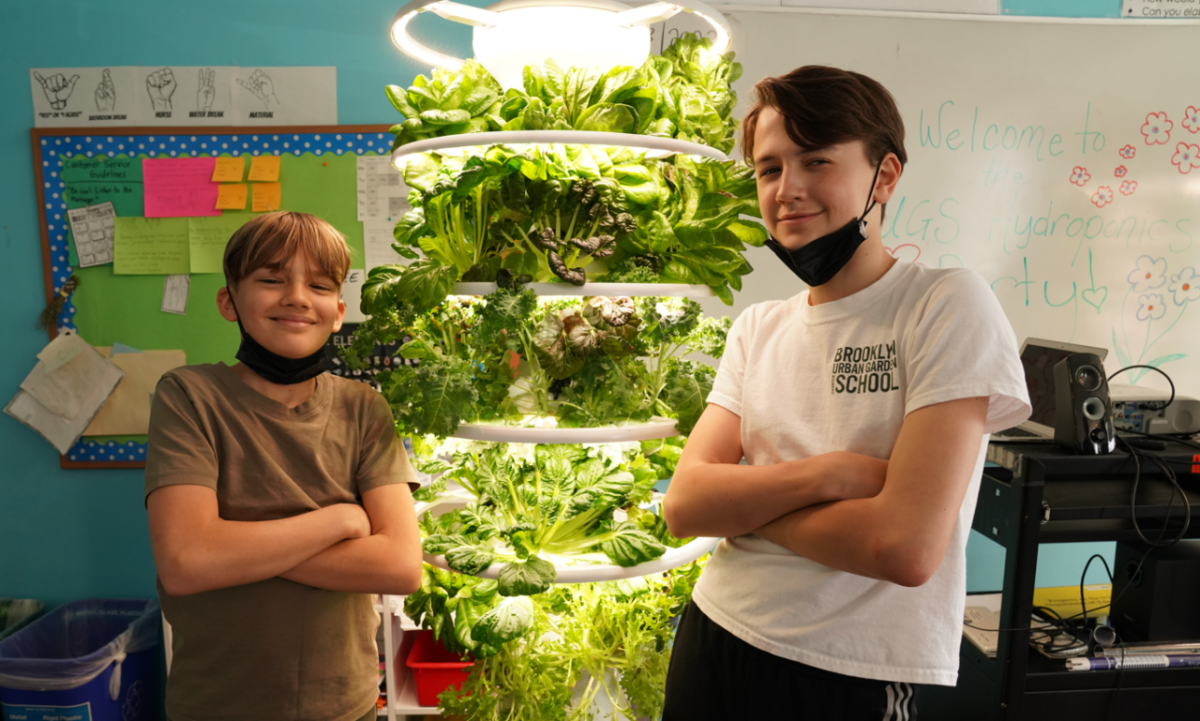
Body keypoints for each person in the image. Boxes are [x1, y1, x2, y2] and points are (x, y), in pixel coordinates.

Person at [661, 66, 1032, 719]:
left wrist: (748, 509)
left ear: (884, 176)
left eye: (816, 160)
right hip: (715, 634)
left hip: (849, 670)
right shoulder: (759, 326)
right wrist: (832, 474)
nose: (788, 189)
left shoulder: (943, 304)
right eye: (769, 168)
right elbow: (687, 504)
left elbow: (903, 546)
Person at [144, 211, 423, 721]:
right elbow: (186, 563)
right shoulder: (189, 396)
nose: (296, 296)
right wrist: (338, 522)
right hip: (217, 704)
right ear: (229, 301)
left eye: (318, 285)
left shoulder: (364, 407)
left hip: (346, 703)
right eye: (271, 279)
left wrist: (233, 548)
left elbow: (400, 566)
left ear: (338, 312)